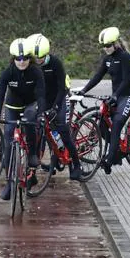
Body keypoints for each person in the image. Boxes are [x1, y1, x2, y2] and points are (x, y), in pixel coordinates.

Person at [76, 26, 130, 175]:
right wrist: (84, 90)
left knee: (116, 124)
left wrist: (115, 95)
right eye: (104, 46)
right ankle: (116, 150)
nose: (106, 48)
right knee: (102, 125)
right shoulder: (107, 59)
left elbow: (128, 80)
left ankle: (109, 160)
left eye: (108, 45)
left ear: (115, 43)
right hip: (116, 96)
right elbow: (98, 76)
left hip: (127, 96)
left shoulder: (125, 57)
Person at [0, 38, 46, 200]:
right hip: (13, 105)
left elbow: (41, 96)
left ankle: (32, 155)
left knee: (30, 119)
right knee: (9, 137)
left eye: (25, 59)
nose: (21, 62)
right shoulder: (8, 72)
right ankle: (10, 182)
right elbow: (0, 94)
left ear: (30, 58)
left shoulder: (36, 72)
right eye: (18, 59)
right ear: (13, 59)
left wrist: (41, 114)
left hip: (31, 104)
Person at [27, 33, 83, 181]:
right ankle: (48, 160)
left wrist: (56, 108)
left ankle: (76, 164)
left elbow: (62, 88)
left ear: (47, 53)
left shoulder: (56, 63)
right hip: (43, 99)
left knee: (63, 131)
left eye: (41, 58)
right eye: (35, 58)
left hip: (59, 98)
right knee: (40, 128)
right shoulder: (32, 65)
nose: (38, 61)